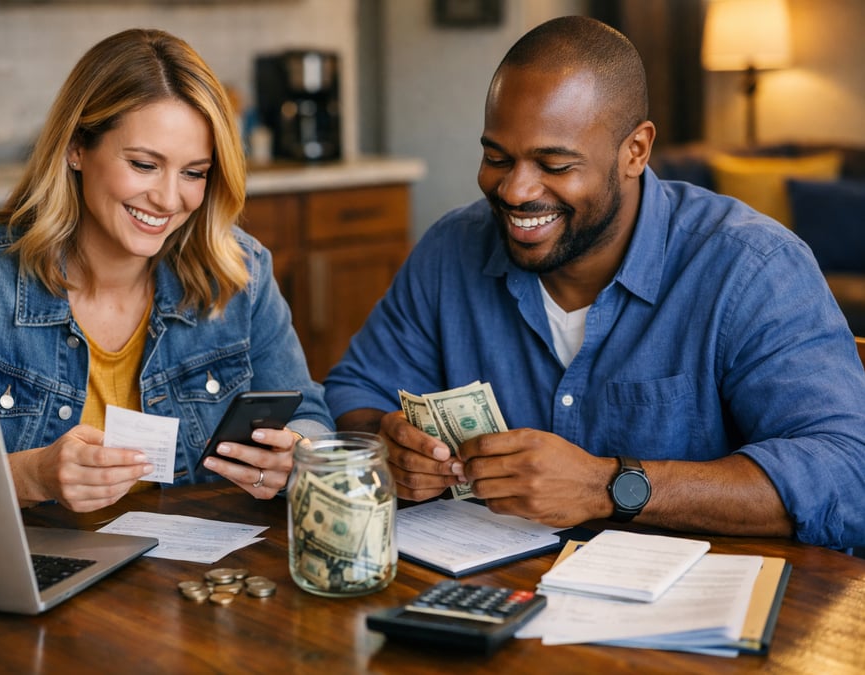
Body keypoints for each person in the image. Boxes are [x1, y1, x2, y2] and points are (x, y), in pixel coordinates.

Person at [324, 16, 865, 550]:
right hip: (494, 598)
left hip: (692, 617)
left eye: (555, 165)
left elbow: (847, 473)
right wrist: (385, 446)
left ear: (636, 151)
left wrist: (609, 485)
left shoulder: (750, 267)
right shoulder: (452, 250)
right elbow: (356, 392)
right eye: (496, 157)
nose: (514, 191)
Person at [0, 28, 333, 512]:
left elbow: (311, 417)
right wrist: (30, 475)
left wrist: (297, 455)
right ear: (76, 148)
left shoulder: (239, 271)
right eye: (143, 164)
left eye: (194, 173)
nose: (168, 198)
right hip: (33, 575)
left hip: (201, 580)